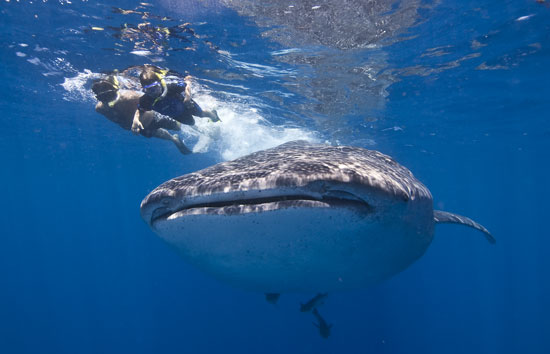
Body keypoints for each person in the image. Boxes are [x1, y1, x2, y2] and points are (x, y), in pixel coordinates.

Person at [92, 75, 192, 155]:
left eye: (105, 90)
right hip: (141, 128)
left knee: (178, 127)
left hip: (155, 117)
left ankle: (189, 122)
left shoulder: (130, 96)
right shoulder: (100, 109)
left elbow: (148, 100)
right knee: (159, 134)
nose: (103, 94)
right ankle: (174, 139)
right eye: (100, 92)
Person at [131, 65, 219, 135]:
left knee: (202, 114)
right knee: (191, 123)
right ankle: (207, 133)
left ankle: (214, 115)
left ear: (160, 83)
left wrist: (188, 97)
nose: (153, 93)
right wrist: (136, 120)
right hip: (176, 115)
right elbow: (140, 110)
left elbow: (187, 83)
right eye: (148, 90)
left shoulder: (171, 87)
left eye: (154, 88)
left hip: (185, 104)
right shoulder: (147, 100)